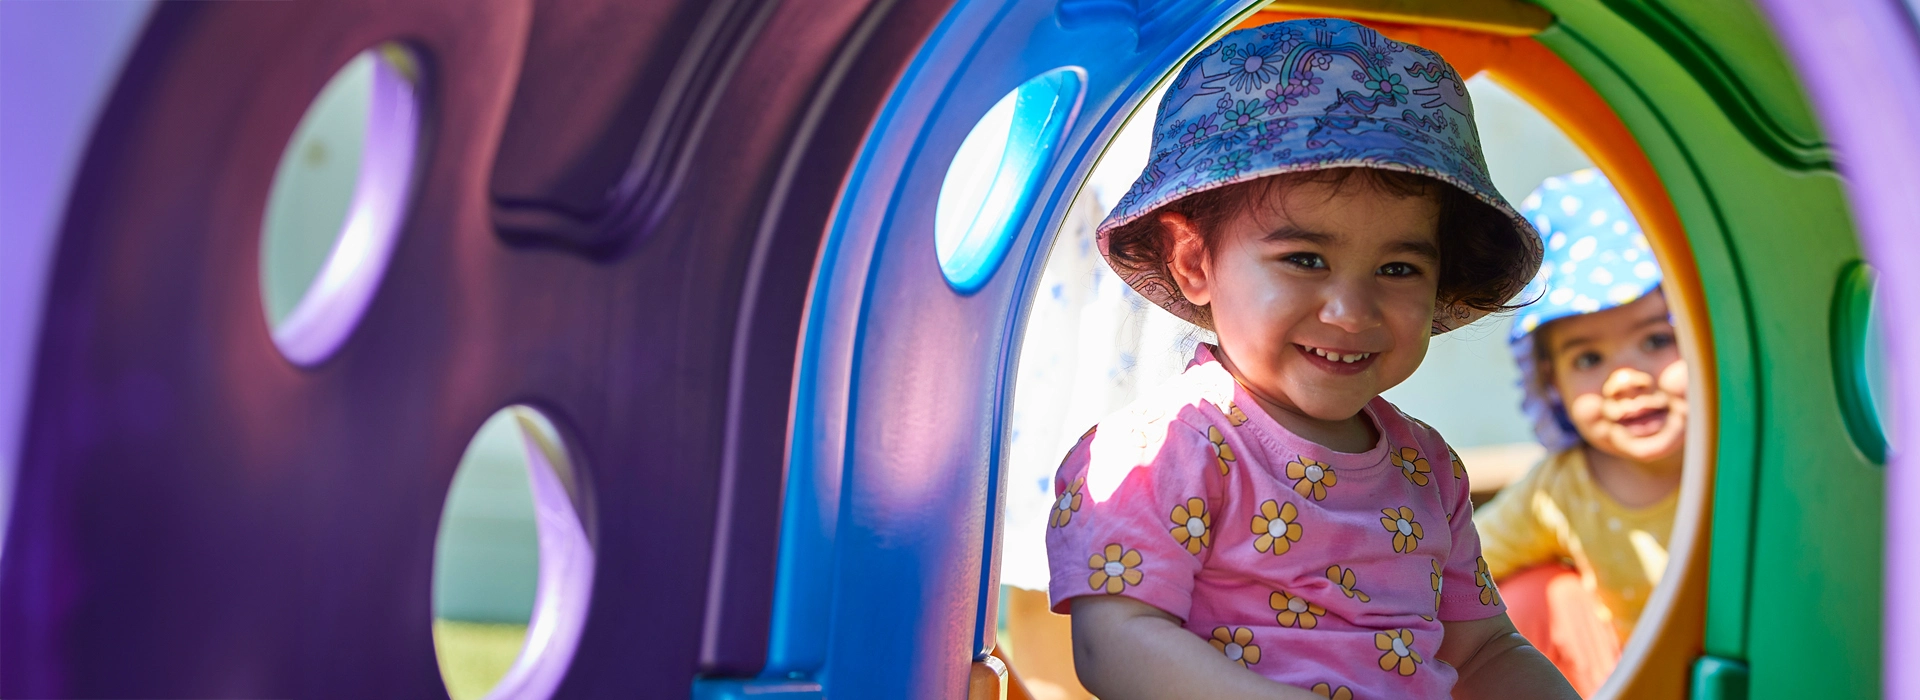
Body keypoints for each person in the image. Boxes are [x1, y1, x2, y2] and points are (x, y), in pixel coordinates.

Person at [1042, 18, 1578, 700]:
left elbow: (1482, 648)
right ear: (1193, 262)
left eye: (1398, 268)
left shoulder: (1427, 465)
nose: (1351, 311)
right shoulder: (1164, 449)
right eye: (1304, 259)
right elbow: (1114, 642)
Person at [1473, 169, 1684, 695]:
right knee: (1537, 595)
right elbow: (1465, 564)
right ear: (1552, 382)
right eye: (1589, 358)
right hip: (1636, 682)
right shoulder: (1564, 489)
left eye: (1656, 341)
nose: (1627, 380)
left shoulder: (1740, 454)